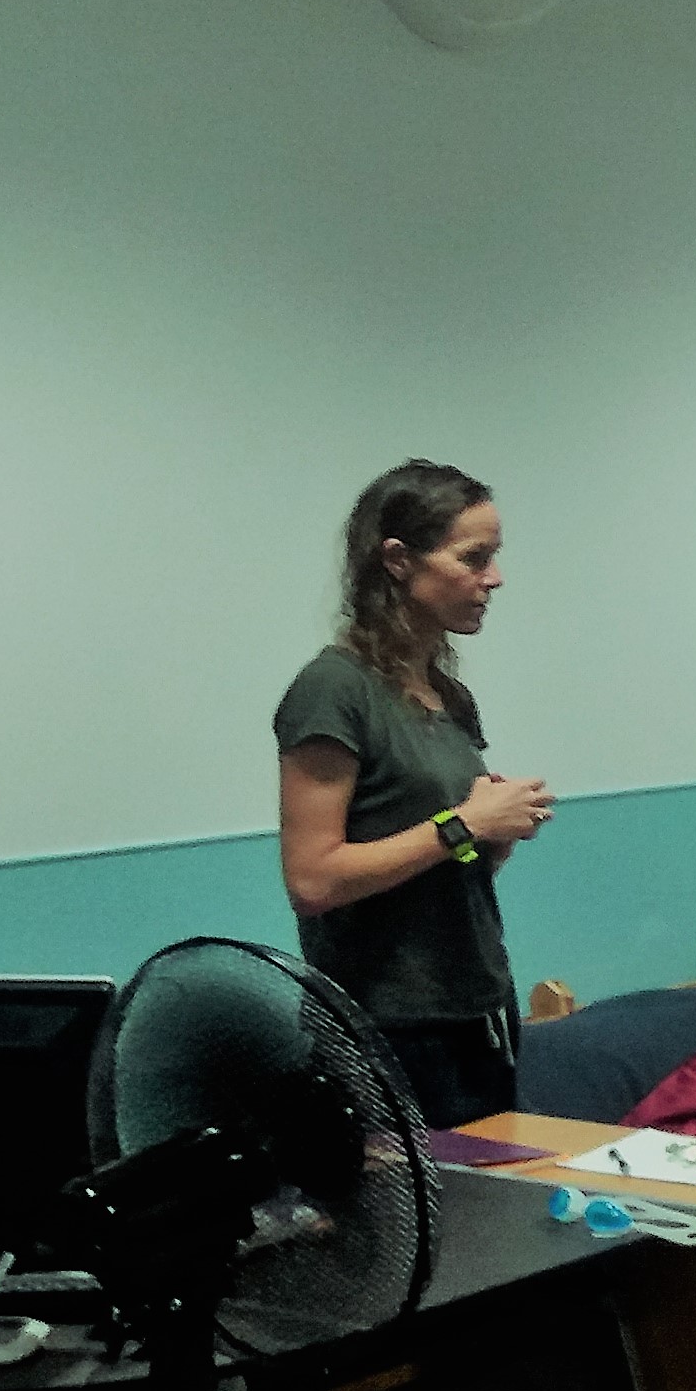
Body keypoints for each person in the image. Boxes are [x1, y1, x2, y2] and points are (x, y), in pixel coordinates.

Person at [274, 461, 550, 1126]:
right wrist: (464, 825)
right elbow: (313, 880)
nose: (494, 578)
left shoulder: (446, 695)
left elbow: (441, 861)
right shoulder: (333, 691)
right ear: (398, 560)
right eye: (473, 558)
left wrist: (491, 838)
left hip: (477, 1007)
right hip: (388, 1026)